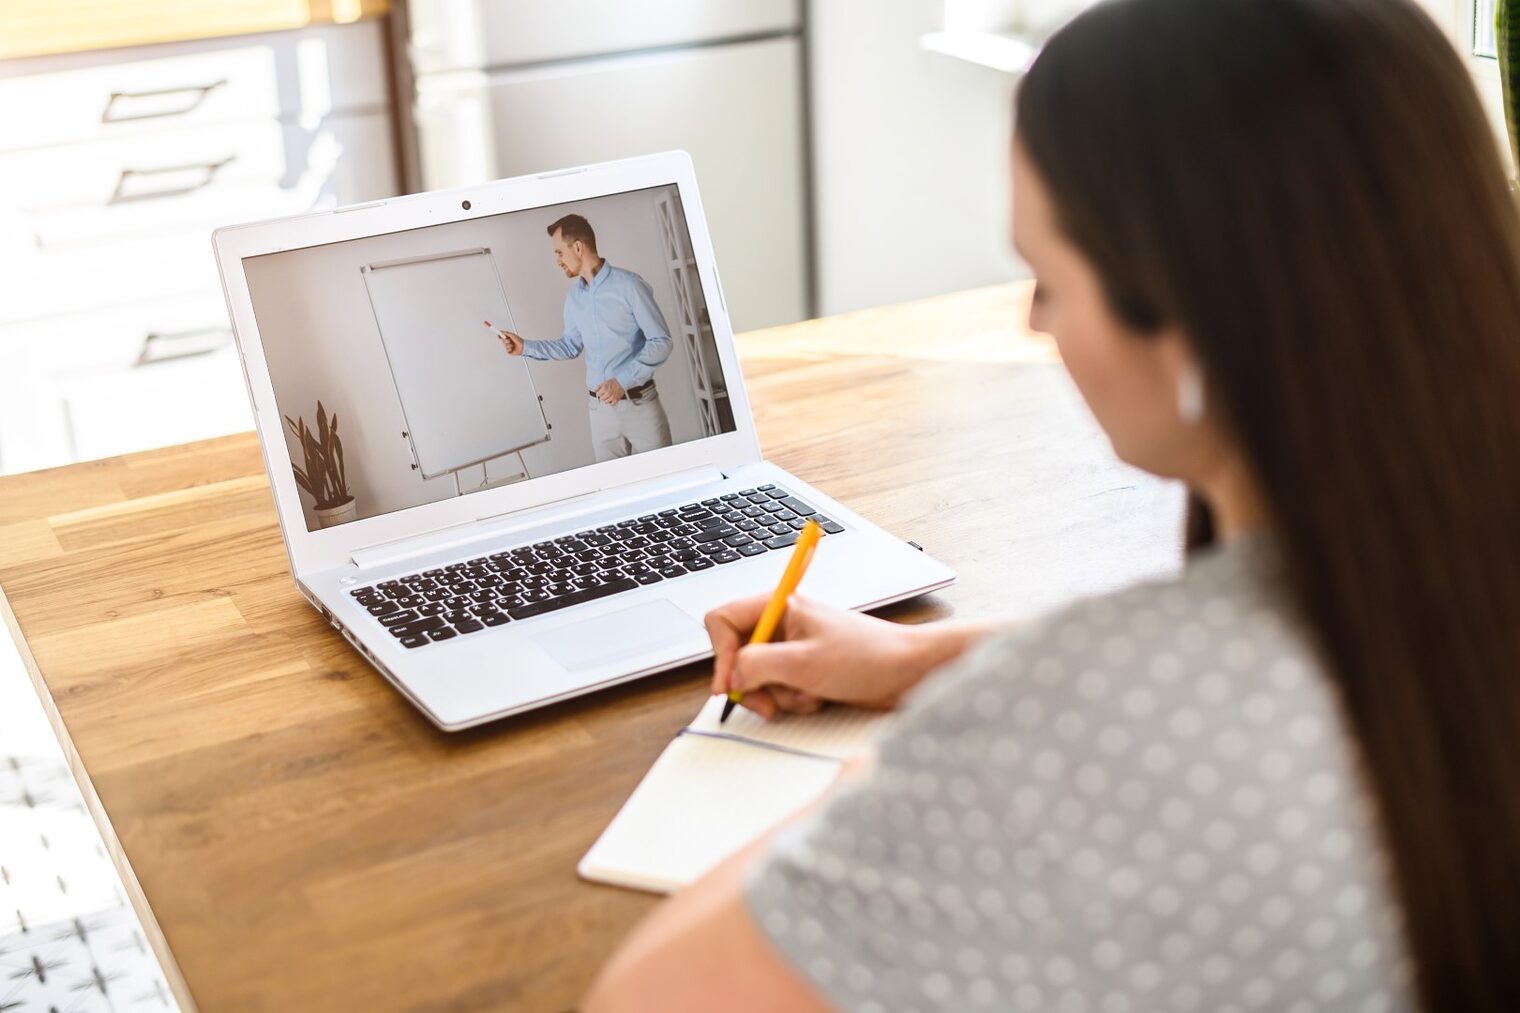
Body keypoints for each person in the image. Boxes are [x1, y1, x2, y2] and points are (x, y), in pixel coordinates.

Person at [583, 0, 1520, 1010]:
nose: (1035, 322)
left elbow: (642, 993)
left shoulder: (1076, 740)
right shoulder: (1434, 580)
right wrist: (918, 658)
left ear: (1193, 320)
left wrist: (933, 768)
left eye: (1047, 277)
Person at [496, 213, 674, 462]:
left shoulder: (630, 286)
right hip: (600, 414)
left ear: (577, 247)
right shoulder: (574, 299)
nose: (557, 260)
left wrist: (621, 381)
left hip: (641, 408)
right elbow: (570, 346)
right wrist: (524, 347)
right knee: (612, 491)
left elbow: (661, 342)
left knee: (662, 482)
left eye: (559, 252)